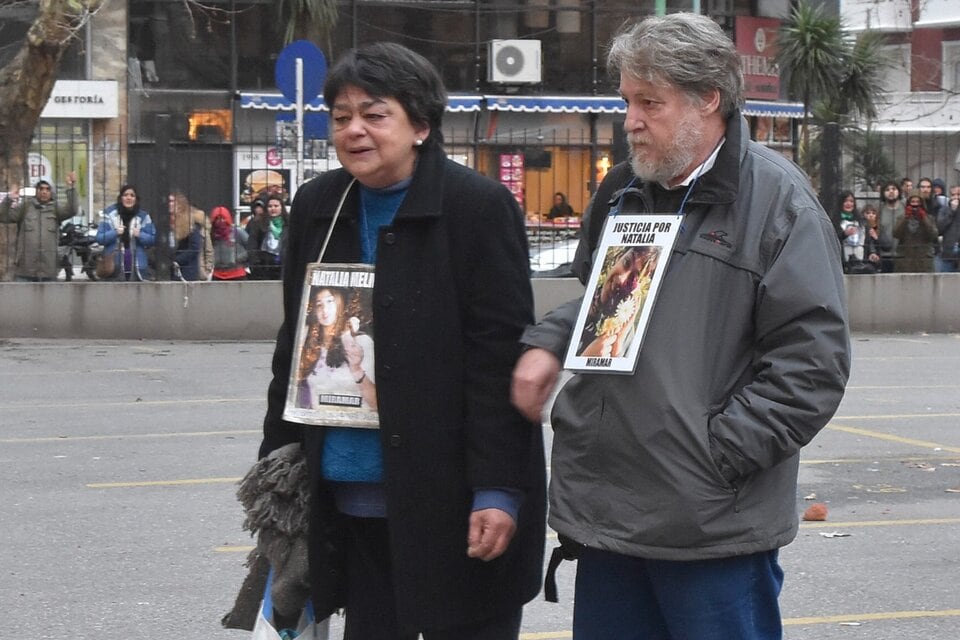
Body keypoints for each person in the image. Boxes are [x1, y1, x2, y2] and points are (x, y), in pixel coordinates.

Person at [510, 13, 850, 640]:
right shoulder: (621, 192)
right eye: (626, 101)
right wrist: (551, 343)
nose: (630, 120)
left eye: (649, 103)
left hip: (710, 528)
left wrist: (715, 456)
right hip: (612, 514)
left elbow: (813, 365)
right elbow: (605, 304)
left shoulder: (778, 205)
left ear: (708, 99)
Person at [256, 42, 545, 640]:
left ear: (420, 125)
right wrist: (276, 471)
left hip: (451, 500)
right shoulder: (319, 206)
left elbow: (499, 358)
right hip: (344, 504)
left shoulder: (477, 208)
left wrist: (498, 488)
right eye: (340, 117)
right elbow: (295, 347)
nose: (354, 130)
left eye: (374, 113)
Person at [295, 286, 377, 411]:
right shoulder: (311, 346)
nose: (324, 310)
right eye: (319, 305)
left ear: (340, 303)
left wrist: (356, 369)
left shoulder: (361, 342)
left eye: (330, 301)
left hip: (356, 424)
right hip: (320, 424)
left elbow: (376, 403)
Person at [0, 172, 78, 281]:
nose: (44, 192)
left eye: (47, 189)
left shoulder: (56, 209)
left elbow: (72, 210)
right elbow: (3, 216)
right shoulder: (25, 207)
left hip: (48, 271)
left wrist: (71, 188)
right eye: (41, 189)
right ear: (36, 191)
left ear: (51, 192)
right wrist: (9, 199)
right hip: (25, 270)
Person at [96, 184, 156, 281]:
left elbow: (153, 239)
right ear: (120, 198)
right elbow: (99, 238)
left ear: (136, 199)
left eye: (132, 195)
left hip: (138, 264)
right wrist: (115, 232)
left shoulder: (144, 216)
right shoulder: (109, 214)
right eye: (125, 195)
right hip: (113, 263)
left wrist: (140, 235)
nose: (129, 198)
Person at [168, 191, 212, 280]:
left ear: (180, 204)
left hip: (186, 270)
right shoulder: (166, 223)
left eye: (172, 201)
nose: (169, 204)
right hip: (171, 270)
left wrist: (177, 261)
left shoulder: (189, 223)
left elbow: (195, 247)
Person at [893, 191, 938, 273]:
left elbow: (934, 235)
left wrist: (924, 218)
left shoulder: (929, 218)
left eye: (918, 202)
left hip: (924, 260)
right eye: (913, 202)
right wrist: (906, 218)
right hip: (905, 260)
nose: (915, 204)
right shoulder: (901, 218)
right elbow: (896, 234)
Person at [209, 205, 248, 280]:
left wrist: (240, 259)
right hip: (218, 273)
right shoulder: (212, 234)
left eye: (223, 218)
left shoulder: (237, 232)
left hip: (237, 273)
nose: (221, 221)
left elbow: (250, 247)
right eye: (217, 219)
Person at [256, 194, 287, 279]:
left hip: (284, 265)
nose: (273, 209)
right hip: (265, 266)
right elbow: (254, 244)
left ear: (281, 207)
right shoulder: (259, 224)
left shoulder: (289, 223)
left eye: (276, 206)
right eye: (270, 206)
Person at [835, 190, 865, 272]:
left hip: (859, 255)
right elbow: (833, 237)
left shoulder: (860, 220)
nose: (849, 204)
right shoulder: (835, 220)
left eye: (851, 201)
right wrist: (844, 234)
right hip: (843, 257)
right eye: (846, 201)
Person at [878, 180, 903, 272]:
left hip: (902, 255)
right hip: (885, 255)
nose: (891, 191)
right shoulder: (879, 211)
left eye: (894, 189)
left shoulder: (905, 208)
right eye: (887, 189)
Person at [935, 185, 960, 273]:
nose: (956, 197)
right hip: (948, 254)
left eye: (958, 194)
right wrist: (952, 211)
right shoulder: (944, 210)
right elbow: (939, 227)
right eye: (953, 195)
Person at [860, 203, 891, 273]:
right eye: (868, 213)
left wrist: (876, 237)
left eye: (873, 213)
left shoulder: (879, 228)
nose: (871, 215)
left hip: (877, 261)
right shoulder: (861, 227)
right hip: (864, 259)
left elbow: (887, 246)